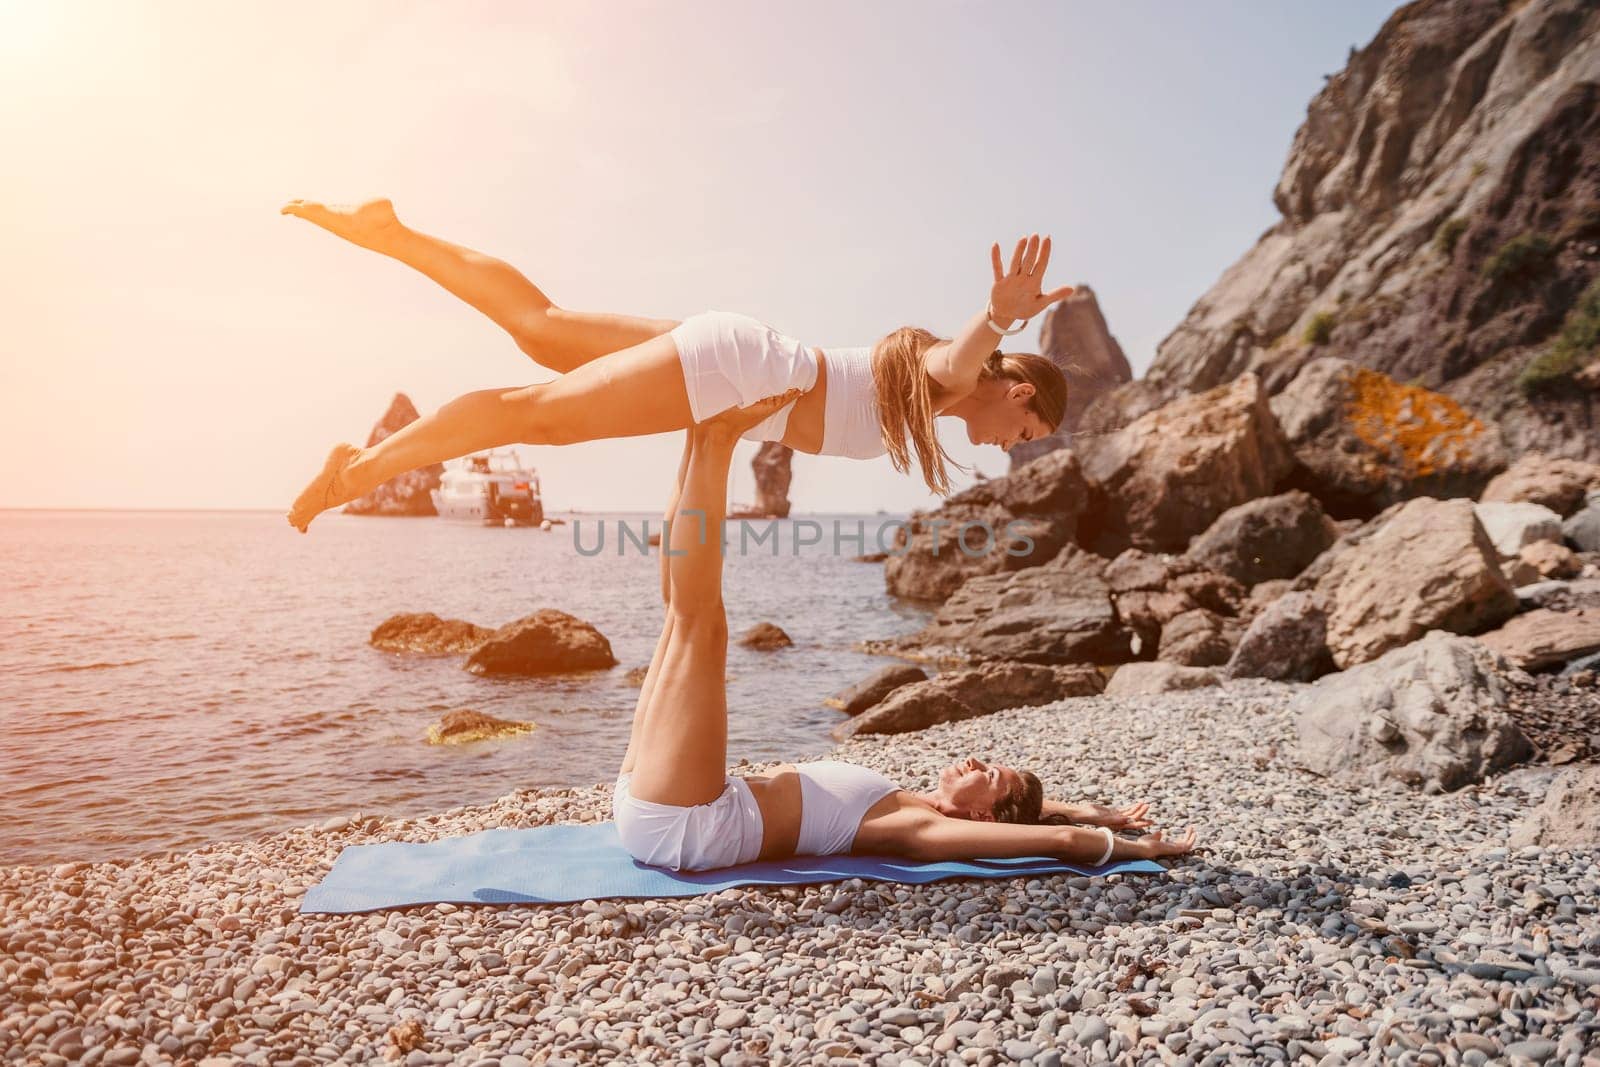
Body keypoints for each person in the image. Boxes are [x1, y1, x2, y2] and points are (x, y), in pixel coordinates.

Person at [613, 393, 1198, 872]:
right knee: (680, 614)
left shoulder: (919, 828)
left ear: (986, 821)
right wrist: (1099, 813)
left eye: (990, 775)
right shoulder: (921, 802)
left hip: (688, 824)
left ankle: (716, 436)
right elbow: (1044, 821)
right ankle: (698, 434)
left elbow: (1059, 846)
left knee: (701, 624)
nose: (976, 760)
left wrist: (1133, 850)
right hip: (670, 803)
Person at [281, 199, 1074, 532]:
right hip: (730, 376)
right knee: (538, 415)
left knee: (540, 327)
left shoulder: (935, 396)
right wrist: (1000, 312)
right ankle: (357, 473)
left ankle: (388, 231)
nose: (1019, 441)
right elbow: (962, 351)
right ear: (1019, 386)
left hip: (735, 350)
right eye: (1030, 424)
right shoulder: (955, 373)